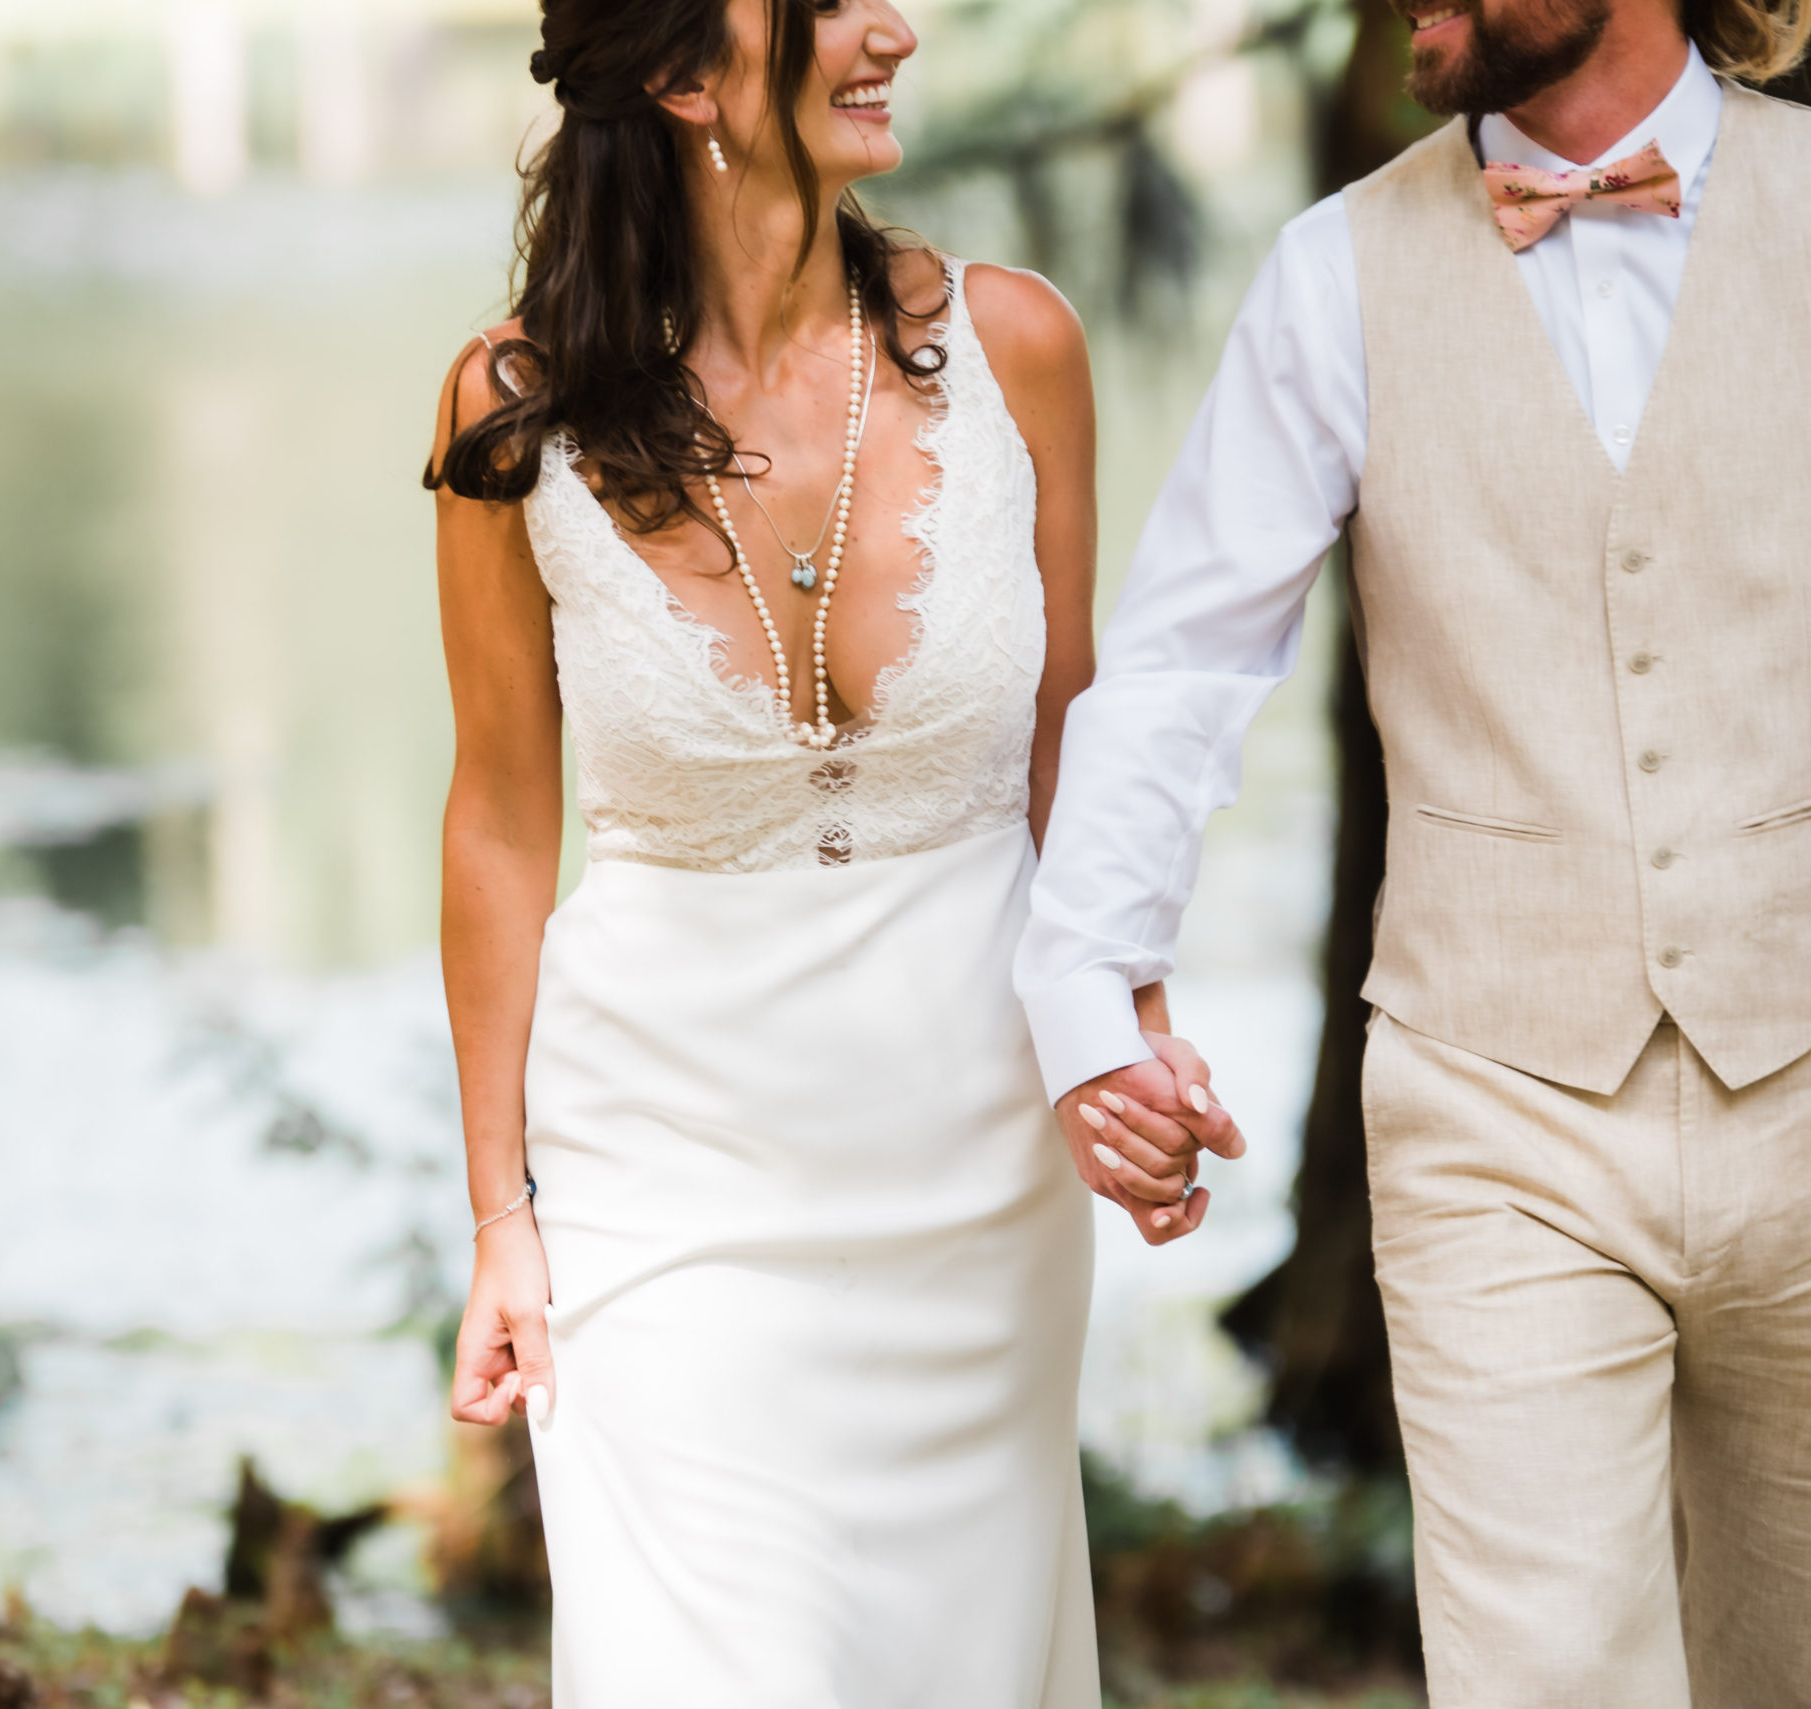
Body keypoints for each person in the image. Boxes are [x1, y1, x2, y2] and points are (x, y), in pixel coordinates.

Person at [1021, 0, 1811, 1701]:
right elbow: (1189, 656)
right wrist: (1087, 980)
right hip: (1491, 1097)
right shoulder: (1334, 272)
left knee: (1805, 1670)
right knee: (1543, 1672)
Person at [422, 1, 1221, 1699]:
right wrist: (500, 1209)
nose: (896, 29)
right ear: (687, 72)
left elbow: (1074, 738)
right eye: (833, 2)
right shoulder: (516, 408)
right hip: (666, 1177)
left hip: (976, 1180)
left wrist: (1125, 1027)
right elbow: (498, 816)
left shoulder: (1019, 350)